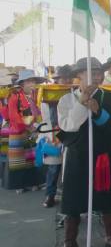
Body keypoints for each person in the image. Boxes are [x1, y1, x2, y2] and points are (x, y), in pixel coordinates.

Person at [56, 57, 111, 247]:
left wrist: (97, 111)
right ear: (79, 75)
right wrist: (82, 103)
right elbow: (69, 125)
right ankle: (70, 241)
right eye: (91, 72)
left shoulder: (110, 99)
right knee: (72, 198)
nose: (97, 76)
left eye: (99, 72)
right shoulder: (66, 99)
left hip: (100, 156)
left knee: (104, 197)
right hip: (76, 156)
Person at [37, 65, 72, 208]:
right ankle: (49, 195)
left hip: (71, 132)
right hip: (54, 133)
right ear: (57, 79)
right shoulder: (48, 94)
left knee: (70, 167)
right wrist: (48, 136)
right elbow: (45, 117)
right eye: (63, 78)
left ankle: (69, 196)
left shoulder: (74, 92)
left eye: (69, 77)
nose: (66, 80)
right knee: (54, 167)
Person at [6, 69, 44, 191]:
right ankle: (19, 185)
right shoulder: (14, 97)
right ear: (22, 84)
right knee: (18, 161)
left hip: (30, 132)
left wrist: (37, 125)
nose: (32, 84)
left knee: (30, 159)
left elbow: (38, 113)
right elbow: (13, 116)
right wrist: (29, 125)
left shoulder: (33, 98)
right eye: (28, 81)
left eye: (33, 81)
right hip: (18, 132)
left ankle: (32, 183)